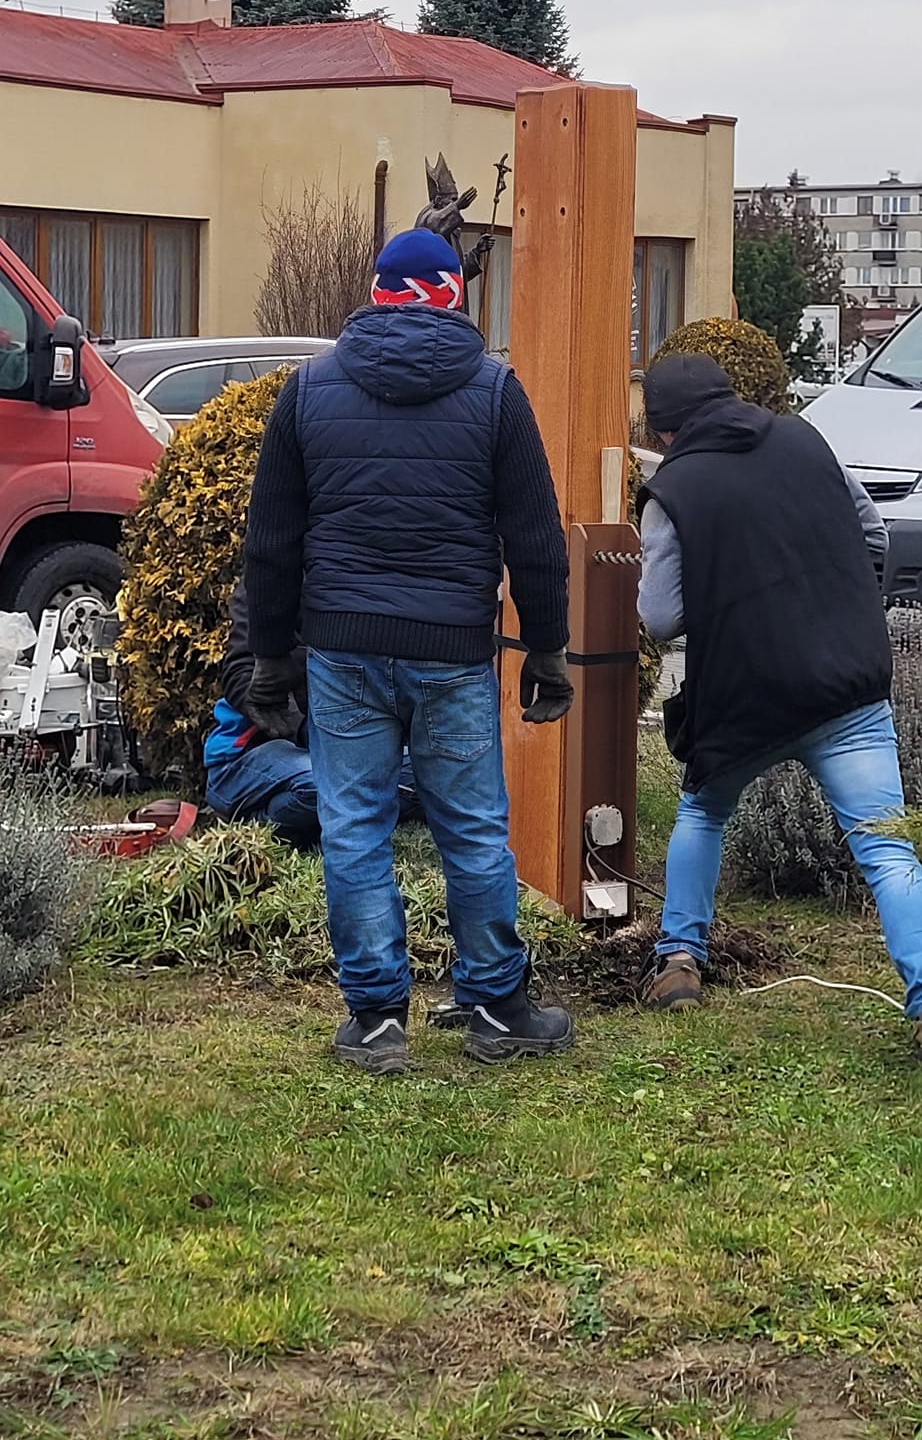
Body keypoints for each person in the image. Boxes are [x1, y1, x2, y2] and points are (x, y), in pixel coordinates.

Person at [243, 227, 574, 1074]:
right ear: (453, 295)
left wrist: (271, 658)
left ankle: (376, 1021)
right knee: (472, 827)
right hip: (452, 650)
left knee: (354, 827)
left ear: (377, 293)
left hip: (342, 647)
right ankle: (497, 1006)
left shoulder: (308, 390)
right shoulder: (495, 392)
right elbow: (536, 538)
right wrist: (547, 650)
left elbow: (271, 542)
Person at [636, 352, 922, 1048]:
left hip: (746, 695)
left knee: (704, 811)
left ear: (665, 431)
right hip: (845, 683)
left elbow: (660, 618)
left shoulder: (673, 491)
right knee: (887, 849)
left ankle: (679, 961)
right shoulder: (806, 439)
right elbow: (873, 534)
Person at [204, 574, 420, 850]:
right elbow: (239, 675)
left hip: (344, 749)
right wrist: (305, 727)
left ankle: (321, 816)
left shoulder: (365, 585)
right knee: (329, 786)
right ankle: (256, 826)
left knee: (428, 778)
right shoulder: (265, 584)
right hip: (250, 754)